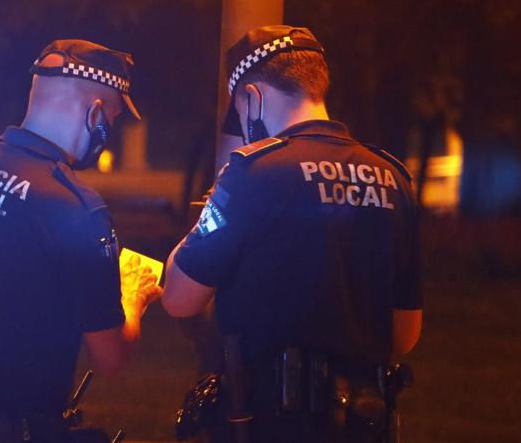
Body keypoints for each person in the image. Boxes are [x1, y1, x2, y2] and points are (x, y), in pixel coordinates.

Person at [162, 25, 422, 442]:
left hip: (269, 421)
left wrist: (213, 204)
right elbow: (405, 335)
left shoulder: (253, 172)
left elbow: (179, 298)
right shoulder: (393, 178)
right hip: (363, 422)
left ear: (253, 98)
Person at [0, 39, 162, 442]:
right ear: (95, 113)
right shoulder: (73, 206)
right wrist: (133, 295)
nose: (109, 133)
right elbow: (111, 356)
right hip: (15, 429)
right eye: (112, 120)